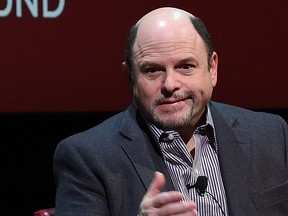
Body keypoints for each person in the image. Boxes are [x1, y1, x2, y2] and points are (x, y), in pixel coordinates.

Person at [53, 7, 288, 216]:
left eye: (186, 66)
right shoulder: (86, 157)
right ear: (130, 77)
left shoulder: (272, 134)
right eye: (153, 70)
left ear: (212, 69)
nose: (169, 84)